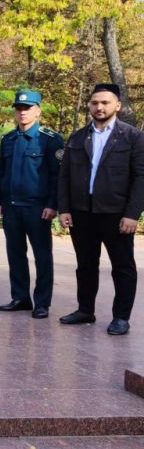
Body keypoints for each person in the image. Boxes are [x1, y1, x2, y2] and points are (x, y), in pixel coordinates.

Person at [57, 83, 144, 335]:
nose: (99, 107)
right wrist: (64, 208)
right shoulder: (77, 137)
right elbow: (64, 176)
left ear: (117, 105)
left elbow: (141, 177)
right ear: (89, 105)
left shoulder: (134, 137)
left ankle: (121, 318)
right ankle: (85, 310)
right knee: (85, 264)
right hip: (82, 212)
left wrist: (132, 214)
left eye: (105, 102)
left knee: (122, 266)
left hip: (116, 214)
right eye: (95, 102)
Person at [0, 90, 64, 320]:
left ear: (38, 110)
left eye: (28, 108)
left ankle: (42, 302)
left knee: (42, 256)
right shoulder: (8, 139)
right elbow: (1, 171)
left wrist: (53, 204)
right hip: (12, 207)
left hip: (37, 208)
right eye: (19, 108)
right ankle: (21, 297)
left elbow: (57, 176)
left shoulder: (50, 139)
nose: (22, 112)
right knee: (15, 254)